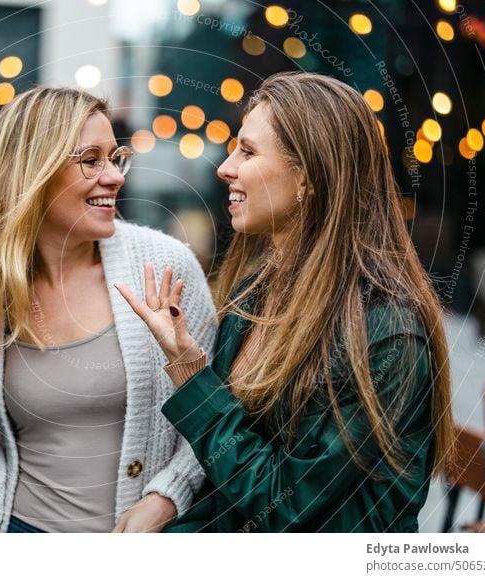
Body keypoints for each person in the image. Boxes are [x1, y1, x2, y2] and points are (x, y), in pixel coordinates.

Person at [115, 72, 454, 532]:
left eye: (248, 152)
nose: (224, 167)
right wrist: (166, 501)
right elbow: (230, 489)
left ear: (308, 176)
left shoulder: (386, 334)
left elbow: (286, 506)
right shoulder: (253, 295)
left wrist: (192, 375)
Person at [0, 87, 217, 533]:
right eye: (91, 160)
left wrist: (167, 495)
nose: (114, 176)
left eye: (116, 158)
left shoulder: (164, 267)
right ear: (34, 171)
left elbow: (219, 406)